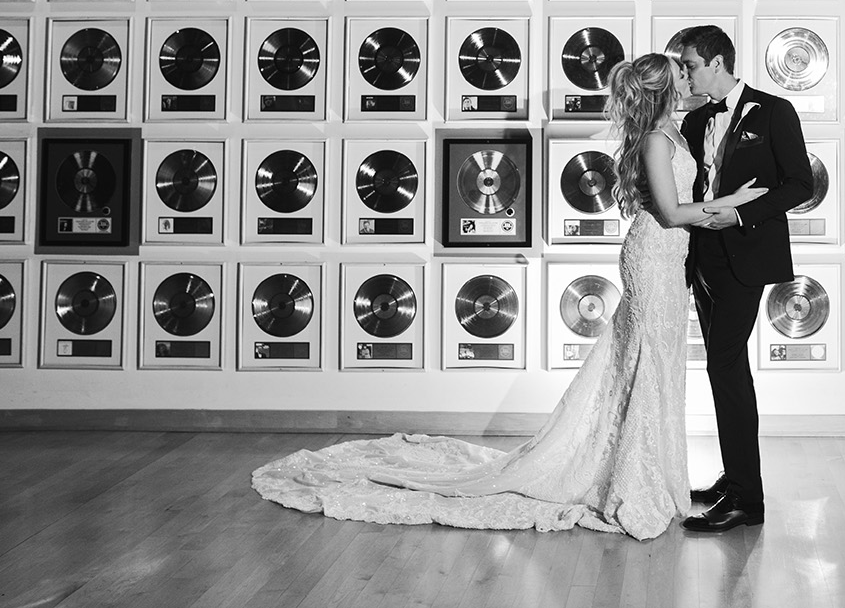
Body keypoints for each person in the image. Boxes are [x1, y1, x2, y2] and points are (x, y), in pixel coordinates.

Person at [251, 53, 766, 540]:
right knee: (647, 366)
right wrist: (734, 205)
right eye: (680, 71)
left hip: (669, 262)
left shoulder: (677, 128)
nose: (688, 76)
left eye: (687, 68)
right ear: (663, 86)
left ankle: (655, 479)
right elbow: (674, 214)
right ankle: (637, 485)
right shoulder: (656, 138)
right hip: (653, 258)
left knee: (655, 368)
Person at [675, 25, 814, 533]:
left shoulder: (773, 111)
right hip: (701, 256)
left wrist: (739, 216)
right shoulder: (695, 119)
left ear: (716, 62)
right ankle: (735, 479)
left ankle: (746, 501)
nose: (685, 73)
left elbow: (801, 183)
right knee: (726, 369)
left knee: (724, 368)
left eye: (689, 64)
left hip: (745, 254)